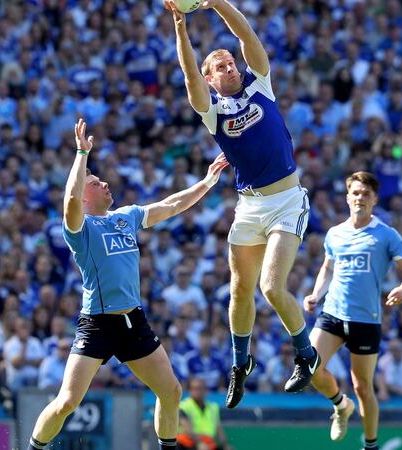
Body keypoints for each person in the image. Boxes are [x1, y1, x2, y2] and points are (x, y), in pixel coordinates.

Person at [27, 119, 229, 450]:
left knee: (171, 391)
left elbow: (170, 205)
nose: (105, 183)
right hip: (98, 324)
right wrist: (81, 154)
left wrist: (206, 182)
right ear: (85, 195)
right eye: (95, 182)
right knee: (67, 402)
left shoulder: (126, 216)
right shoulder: (80, 229)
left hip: (133, 320)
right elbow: (70, 201)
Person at [166, 0, 317, 409]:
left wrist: (216, 3)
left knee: (272, 286)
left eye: (231, 63)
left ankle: (305, 353)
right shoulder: (212, 111)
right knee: (240, 291)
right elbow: (187, 73)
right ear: (210, 79)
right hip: (249, 206)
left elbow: (245, 35)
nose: (229, 68)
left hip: (287, 200)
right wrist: (181, 27)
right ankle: (239, 364)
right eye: (219, 67)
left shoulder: (259, 83)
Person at [303, 172, 402, 449]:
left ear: (374, 200)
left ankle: (370, 444)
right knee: (307, 366)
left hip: (365, 320)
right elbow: (328, 267)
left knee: (363, 387)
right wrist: (316, 294)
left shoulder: (386, 235)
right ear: (347, 197)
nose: (360, 198)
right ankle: (340, 406)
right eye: (355, 193)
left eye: (366, 194)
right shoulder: (335, 234)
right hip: (332, 314)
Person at [177, 377, 234, 450]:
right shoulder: (183, 406)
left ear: (206, 390)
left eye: (200, 388)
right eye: (194, 389)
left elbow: (219, 430)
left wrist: (226, 445)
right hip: (187, 443)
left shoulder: (213, 408)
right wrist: (199, 443)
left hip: (207, 443)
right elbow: (187, 429)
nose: (197, 391)